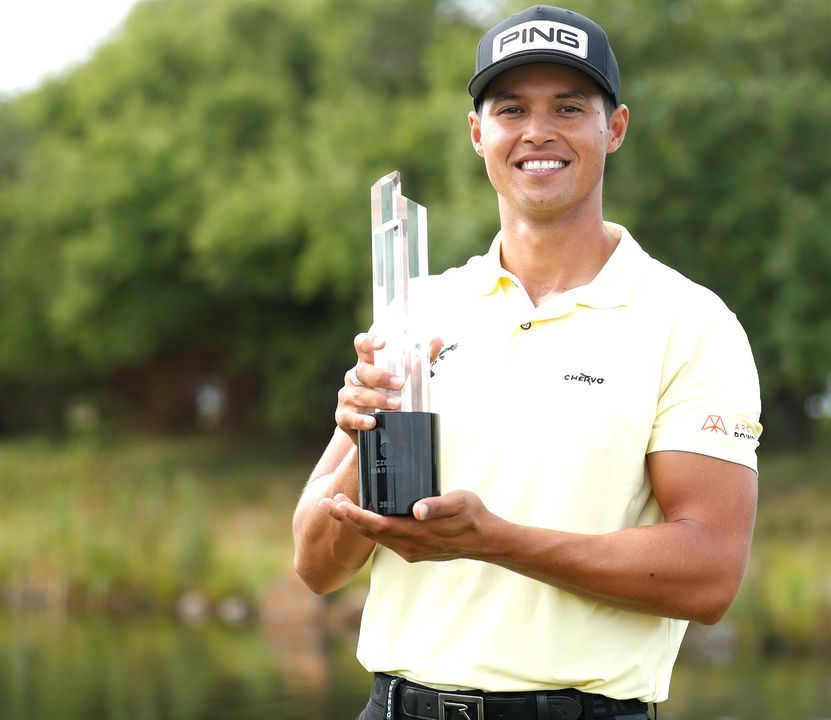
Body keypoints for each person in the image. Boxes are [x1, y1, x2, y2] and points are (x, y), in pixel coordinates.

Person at [292, 6, 762, 719]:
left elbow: (709, 576)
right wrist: (365, 442)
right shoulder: (418, 307)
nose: (538, 132)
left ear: (616, 128)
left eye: (569, 107)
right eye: (511, 109)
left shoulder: (691, 323)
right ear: (479, 134)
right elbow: (315, 565)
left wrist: (496, 542)